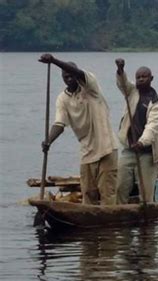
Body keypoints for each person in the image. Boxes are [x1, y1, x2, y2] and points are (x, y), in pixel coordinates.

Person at [39, 54, 118, 205]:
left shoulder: (91, 87)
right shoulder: (63, 99)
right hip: (87, 151)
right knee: (88, 194)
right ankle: (88, 224)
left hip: (106, 147)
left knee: (108, 193)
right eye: (65, 77)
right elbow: (59, 124)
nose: (69, 79)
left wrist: (54, 61)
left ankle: (110, 226)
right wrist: (48, 141)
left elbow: (80, 74)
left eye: (71, 75)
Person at [115, 58, 158, 204]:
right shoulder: (131, 92)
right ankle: (120, 215)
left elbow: (152, 127)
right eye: (138, 77)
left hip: (146, 153)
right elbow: (122, 84)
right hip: (129, 149)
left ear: (151, 78)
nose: (141, 79)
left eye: (144, 77)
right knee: (120, 187)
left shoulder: (155, 102)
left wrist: (141, 143)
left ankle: (147, 221)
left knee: (146, 192)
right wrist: (120, 70)